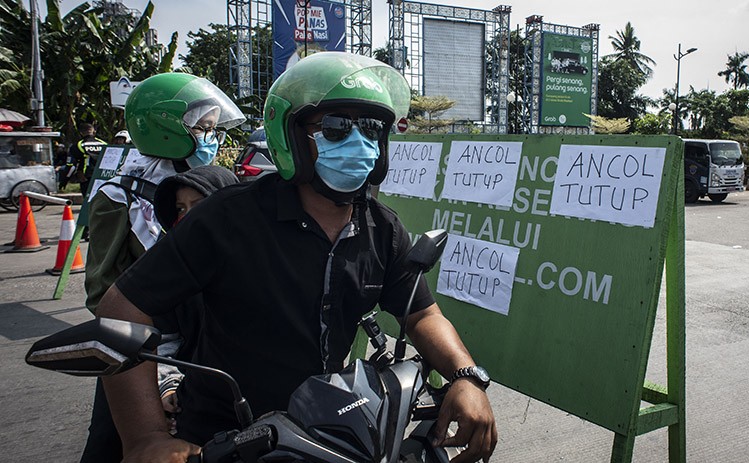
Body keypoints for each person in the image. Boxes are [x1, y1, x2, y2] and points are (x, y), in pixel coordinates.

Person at [96, 52, 497, 463]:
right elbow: (121, 309)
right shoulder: (226, 219)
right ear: (290, 135)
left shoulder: (383, 229)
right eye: (337, 127)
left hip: (332, 433)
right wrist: (145, 437)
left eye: (372, 129)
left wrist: (466, 377)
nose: (359, 143)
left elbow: (421, 315)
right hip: (222, 443)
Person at [80, 72, 245, 463]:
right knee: (117, 442)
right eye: (202, 128)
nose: (211, 138)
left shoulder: (217, 189)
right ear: (164, 129)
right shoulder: (120, 196)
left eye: (212, 129)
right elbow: (102, 289)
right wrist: (148, 347)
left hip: (209, 354)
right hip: (142, 352)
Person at [152, 165, 241, 434]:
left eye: (200, 204)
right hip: (193, 405)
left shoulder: (261, 264)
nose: (190, 216)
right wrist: (169, 386)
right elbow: (162, 344)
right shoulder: (169, 274)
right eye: (180, 209)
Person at [66, 122, 106, 197]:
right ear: (94, 131)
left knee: (88, 198)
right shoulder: (104, 144)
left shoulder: (78, 145)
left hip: (86, 176)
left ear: (81, 133)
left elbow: (71, 165)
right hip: (102, 175)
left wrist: (65, 179)